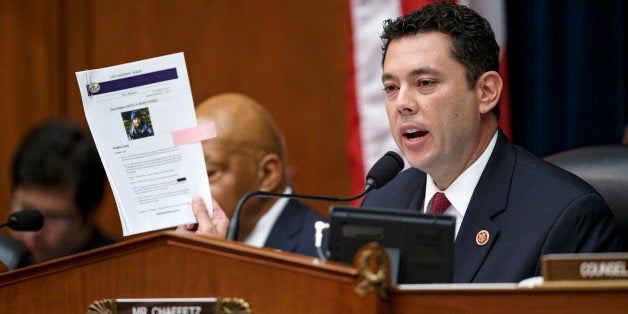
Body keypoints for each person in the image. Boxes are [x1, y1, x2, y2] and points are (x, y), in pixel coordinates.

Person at [360, 2, 622, 283]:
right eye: (391, 88)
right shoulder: (381, 202)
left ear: (486, 92)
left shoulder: (566, 217)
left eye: (425, 83)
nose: (402, 104)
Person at [177, 93, 327, 257]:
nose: (193, 194)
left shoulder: (323, 251)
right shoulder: (185, 250)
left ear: (267, 174)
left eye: (209, 173)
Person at [7, 118, 118, 266]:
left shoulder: (121, 270)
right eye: (26, 210)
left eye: (54, 217)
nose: (33, 234)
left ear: (90, 214)